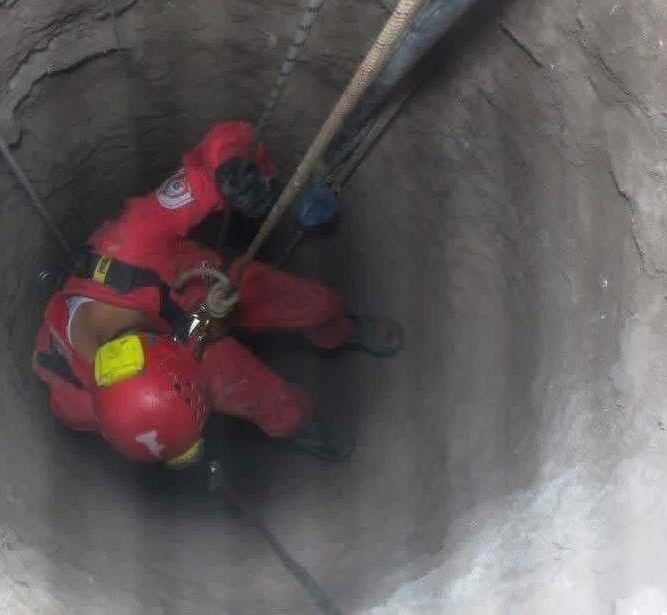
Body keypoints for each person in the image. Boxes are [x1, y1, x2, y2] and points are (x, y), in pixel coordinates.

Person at [32, 121, 401, 468]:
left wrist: (232, 166)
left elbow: (209, 159)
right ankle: (300, 425)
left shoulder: (131, 244)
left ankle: (338, 329)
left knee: (314, 304)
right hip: (175, 368)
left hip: (202, 285)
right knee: (270, 403)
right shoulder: (75, 397)